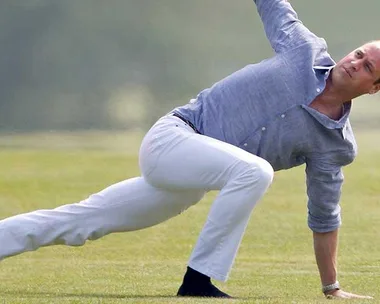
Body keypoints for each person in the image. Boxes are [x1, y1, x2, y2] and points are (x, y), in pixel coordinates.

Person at [0, 0, 379, 300]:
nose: (355, 63)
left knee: (80, 223)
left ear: (374, 88)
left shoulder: (335, 144)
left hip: (189, 181)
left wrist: (331, 288)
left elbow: (324, 215)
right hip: (173, 137)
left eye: (367, 68)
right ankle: (199, 281)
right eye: (360, 54)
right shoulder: (303, 50)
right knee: (256, 172)